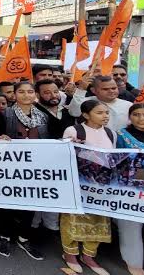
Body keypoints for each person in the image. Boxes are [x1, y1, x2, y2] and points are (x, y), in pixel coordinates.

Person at [0, 82, 47, 260]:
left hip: (34, 168)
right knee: (7, 203)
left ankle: (24, 238)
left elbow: (52, 141)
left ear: (35, 94)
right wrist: (0, 139)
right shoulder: (5, 114)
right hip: (10, 167)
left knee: (29, 203)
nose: (26, 95)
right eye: (21, 92)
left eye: (30, 92)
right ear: (14, 95)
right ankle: (4, 236)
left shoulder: (44, 116)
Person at [60, 100, 114, 275]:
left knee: (99, 220)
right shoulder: (74, 131)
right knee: (73, 219)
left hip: (102, 185)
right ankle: (70, 253)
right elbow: (63, 156)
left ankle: (89, 255)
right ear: (85, 115)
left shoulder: (111, 133)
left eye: (106, 113)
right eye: (99, 113)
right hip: (78, 183)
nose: (105, 116)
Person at [115, 103, 144, 275]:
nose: (141, 119)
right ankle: (134, 264)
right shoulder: (121, 135)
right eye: (136, 114)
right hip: (129, 189)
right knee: (130, 226)